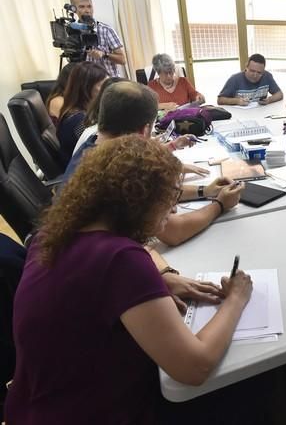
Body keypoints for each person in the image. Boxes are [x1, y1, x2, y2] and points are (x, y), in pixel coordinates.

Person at [5, 135, 255, 423]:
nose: (173, 209)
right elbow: (194, 368)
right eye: (168, 199)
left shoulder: (53, 233)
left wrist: (163, 278)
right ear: (138, 202)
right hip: (94, 414)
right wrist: (236, 299)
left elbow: (92, 292)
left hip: (34, 407)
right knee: (251, 386)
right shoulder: (121, 261)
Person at [64, 81, 245, 247]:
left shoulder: (91, 146)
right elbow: (175, 231)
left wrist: (205, 191)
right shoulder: (126, 165)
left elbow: (151, 194)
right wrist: (220, 204)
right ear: (145, 130)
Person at [55, 61, 109, 162]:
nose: (108, 90)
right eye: (103, 86)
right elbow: (101, 154)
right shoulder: (78, 121)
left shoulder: (82, 113)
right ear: (85, 89)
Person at [70, 0, 126, 77]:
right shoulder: (72, 32)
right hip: (87, 84)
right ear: (74, 9)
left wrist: (104, 54)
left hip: (109, 84)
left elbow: (122, 60)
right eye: (82, 7)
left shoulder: (106, 30)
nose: (87, 10)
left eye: (89, 6)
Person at [217, 53, 283, 106]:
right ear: (246, 67)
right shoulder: (234, 79)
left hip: (261, 113)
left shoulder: (267, 76)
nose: (255, 75)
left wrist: (269, 100)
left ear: (263, 71)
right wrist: (237, 101)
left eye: (259, 72)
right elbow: (220, 100)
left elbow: (279, 94)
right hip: (240, 115)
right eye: (252, 71)